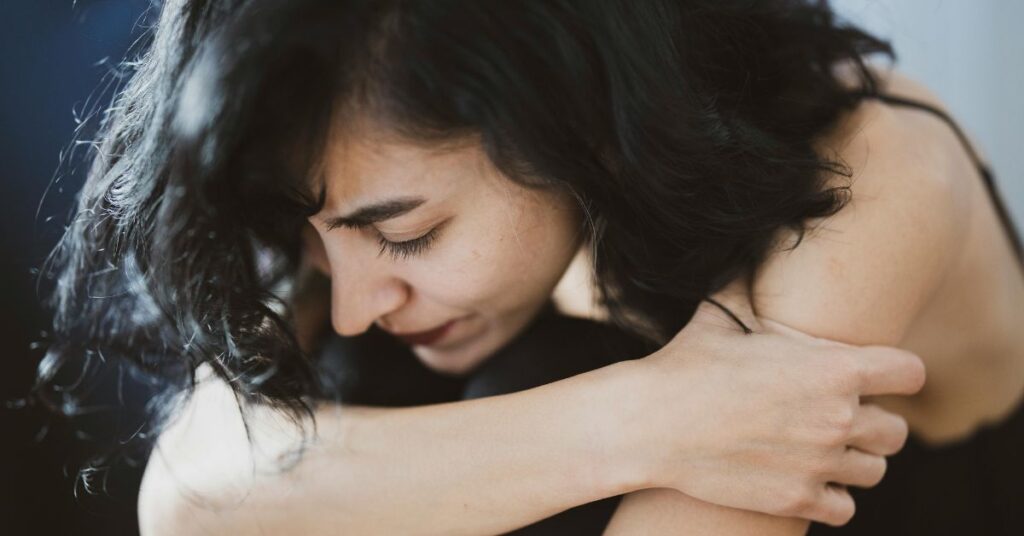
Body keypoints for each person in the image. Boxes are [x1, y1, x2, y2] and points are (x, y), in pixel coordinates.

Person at [35, 0, 1021, 534]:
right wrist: (655, 418)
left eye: (408, 235)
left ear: (572, 119)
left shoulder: (873, 174)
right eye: (308, 241)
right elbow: (191, 487)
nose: (352, 304)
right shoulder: (353, 181)